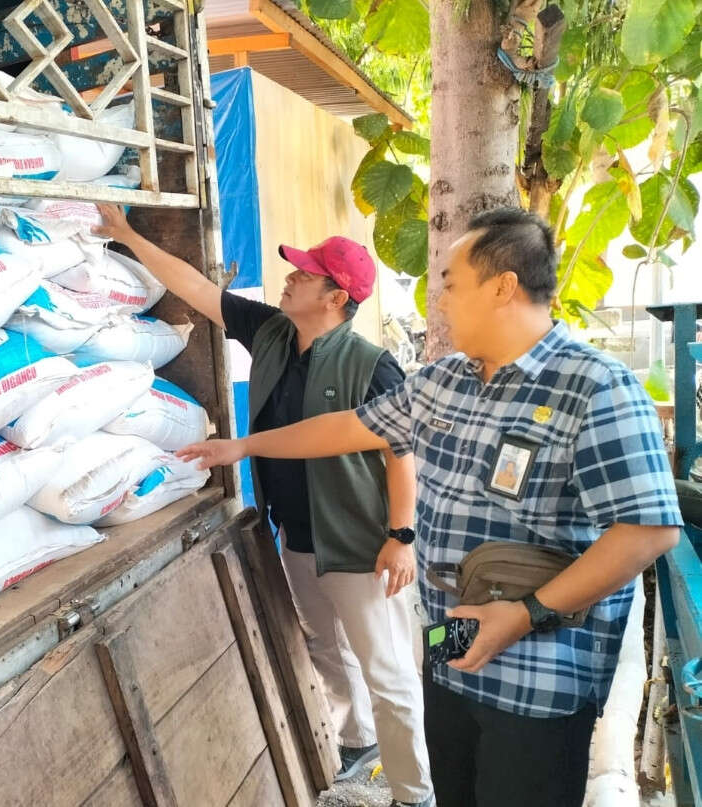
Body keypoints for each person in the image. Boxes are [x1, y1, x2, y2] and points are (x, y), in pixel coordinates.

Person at [177, 207, 682, 807]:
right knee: (453, 787)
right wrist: (243, 446)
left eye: (450, 284)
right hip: (450, 646)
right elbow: (344, 428)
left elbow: (648, 532)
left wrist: (524, 614)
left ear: (503, 287)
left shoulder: (595, 386)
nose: (438, 301)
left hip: (538, 671)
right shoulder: (444, 380)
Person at [95, 205, 434, 807]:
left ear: (336, 297)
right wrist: (126, 235)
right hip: (298, 535)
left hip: (361, 545)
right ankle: (358, 744)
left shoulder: (371, 365)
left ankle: (415, 793)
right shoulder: (273, 331)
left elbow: (401, 451)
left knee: (387, 672)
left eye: (305, 275)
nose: (290, 278)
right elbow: (197, 288)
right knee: (326, 648)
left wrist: (401, 536)